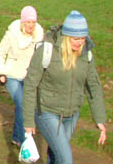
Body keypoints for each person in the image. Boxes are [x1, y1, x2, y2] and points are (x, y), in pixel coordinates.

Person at [23, 11, 107, 163]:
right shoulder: (47, 50)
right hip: (47, 112)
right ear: (66, 36)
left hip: (71, 114)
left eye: (83, 38)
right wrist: (28, 120)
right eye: (75, 38)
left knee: (56, 155)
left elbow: (93, 86)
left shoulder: (86, 54)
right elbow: (30, 84)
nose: (79, 42)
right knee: (66, 159)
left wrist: (100, 118)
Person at [0, 6, 44, 147]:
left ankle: (16, 136)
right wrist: (1, 72)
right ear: (22, 22)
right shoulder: (12, 35)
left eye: (33, 22)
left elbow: (42, 57)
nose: (30, 25)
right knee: (22, 104)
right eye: (28, 22)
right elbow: (0, 53)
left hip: (30, 76)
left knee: (26, 107)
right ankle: (24, 142)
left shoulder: (39, 36)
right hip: (13, 74)